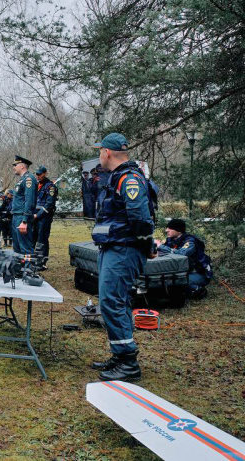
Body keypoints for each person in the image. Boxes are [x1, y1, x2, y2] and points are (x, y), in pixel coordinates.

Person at [90, 133, 154, 382]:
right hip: (114, 247)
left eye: (99, 152)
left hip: (124, 250)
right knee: (115, 301)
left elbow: (140, 217)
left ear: (107, 152)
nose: (99, 156)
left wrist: (144, 244)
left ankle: (128, 363)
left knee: (112, 301)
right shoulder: (117, 178)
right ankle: (121, 354)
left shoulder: (128, 179)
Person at [155, 219, 213, 299]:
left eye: (170, 228)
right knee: (166, 283)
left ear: (179, 231)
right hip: (183, 271)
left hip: (197, 273)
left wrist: (161, 246)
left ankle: (199, 290)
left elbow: (182, 254)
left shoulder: (190, 241)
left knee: (178, 283)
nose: (167, 230)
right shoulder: (171, 240)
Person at [10, 155, 36, 254]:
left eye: (15, 165)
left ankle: (28, 269)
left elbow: (29, 201)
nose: (14, 167)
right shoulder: (21, 180)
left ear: (22, 166)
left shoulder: (29, 179)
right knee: (17, 248)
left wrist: (24, 221)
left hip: (22, 217)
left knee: (25, 248)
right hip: (16, 216)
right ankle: (19, 269)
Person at [32, 166, 58, 266]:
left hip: (44, 217)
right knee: (34, 238)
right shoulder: (37, 185)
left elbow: (49, 204)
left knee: (42, 238)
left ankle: (42, 261)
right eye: (37, 174)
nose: (38, 176)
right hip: (35, 216)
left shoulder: (50, 187)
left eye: (40, 174)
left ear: (45, 173)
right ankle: (35, 259)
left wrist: (37, 215)